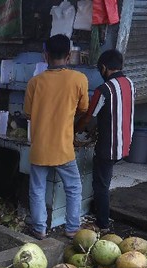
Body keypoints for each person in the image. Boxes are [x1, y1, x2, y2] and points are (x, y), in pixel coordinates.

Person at [24, 34, 90, 239]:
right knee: (73, 188)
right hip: (63, 147)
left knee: (37, 189)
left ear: (46, 56)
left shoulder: (35, 82)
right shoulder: (79, 79)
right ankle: (71, 228)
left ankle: (40, 229)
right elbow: (84, 107)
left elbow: (27, 113)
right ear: (69, 56)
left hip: (40, 147)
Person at [75, 49, 135, 232]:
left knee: (100, 184)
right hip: (125, 143)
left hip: (109, 146)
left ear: (103, 68)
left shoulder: (104, 89)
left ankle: (102, 224)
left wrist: (72, 132)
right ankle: (100, 215)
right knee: (104, 180)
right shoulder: (129, 83)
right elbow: (113, 113)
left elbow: (88, 117)